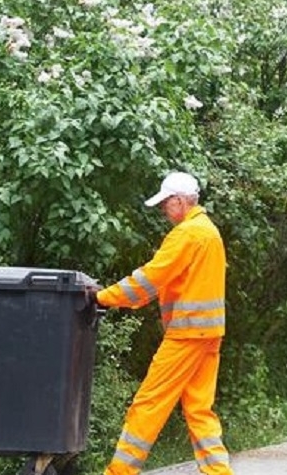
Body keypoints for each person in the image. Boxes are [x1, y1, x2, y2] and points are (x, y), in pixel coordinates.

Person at [92, 171, 233, 475]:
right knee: (198, 409)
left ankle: (119, 472)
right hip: (209, 334)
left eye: (165, 204)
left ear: (180, 201)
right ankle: (219, 472)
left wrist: (103, 297)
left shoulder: (188, 233)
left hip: (187, 334)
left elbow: (150, 279)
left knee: (148, 404)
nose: (162, 211)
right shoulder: (209, 232)